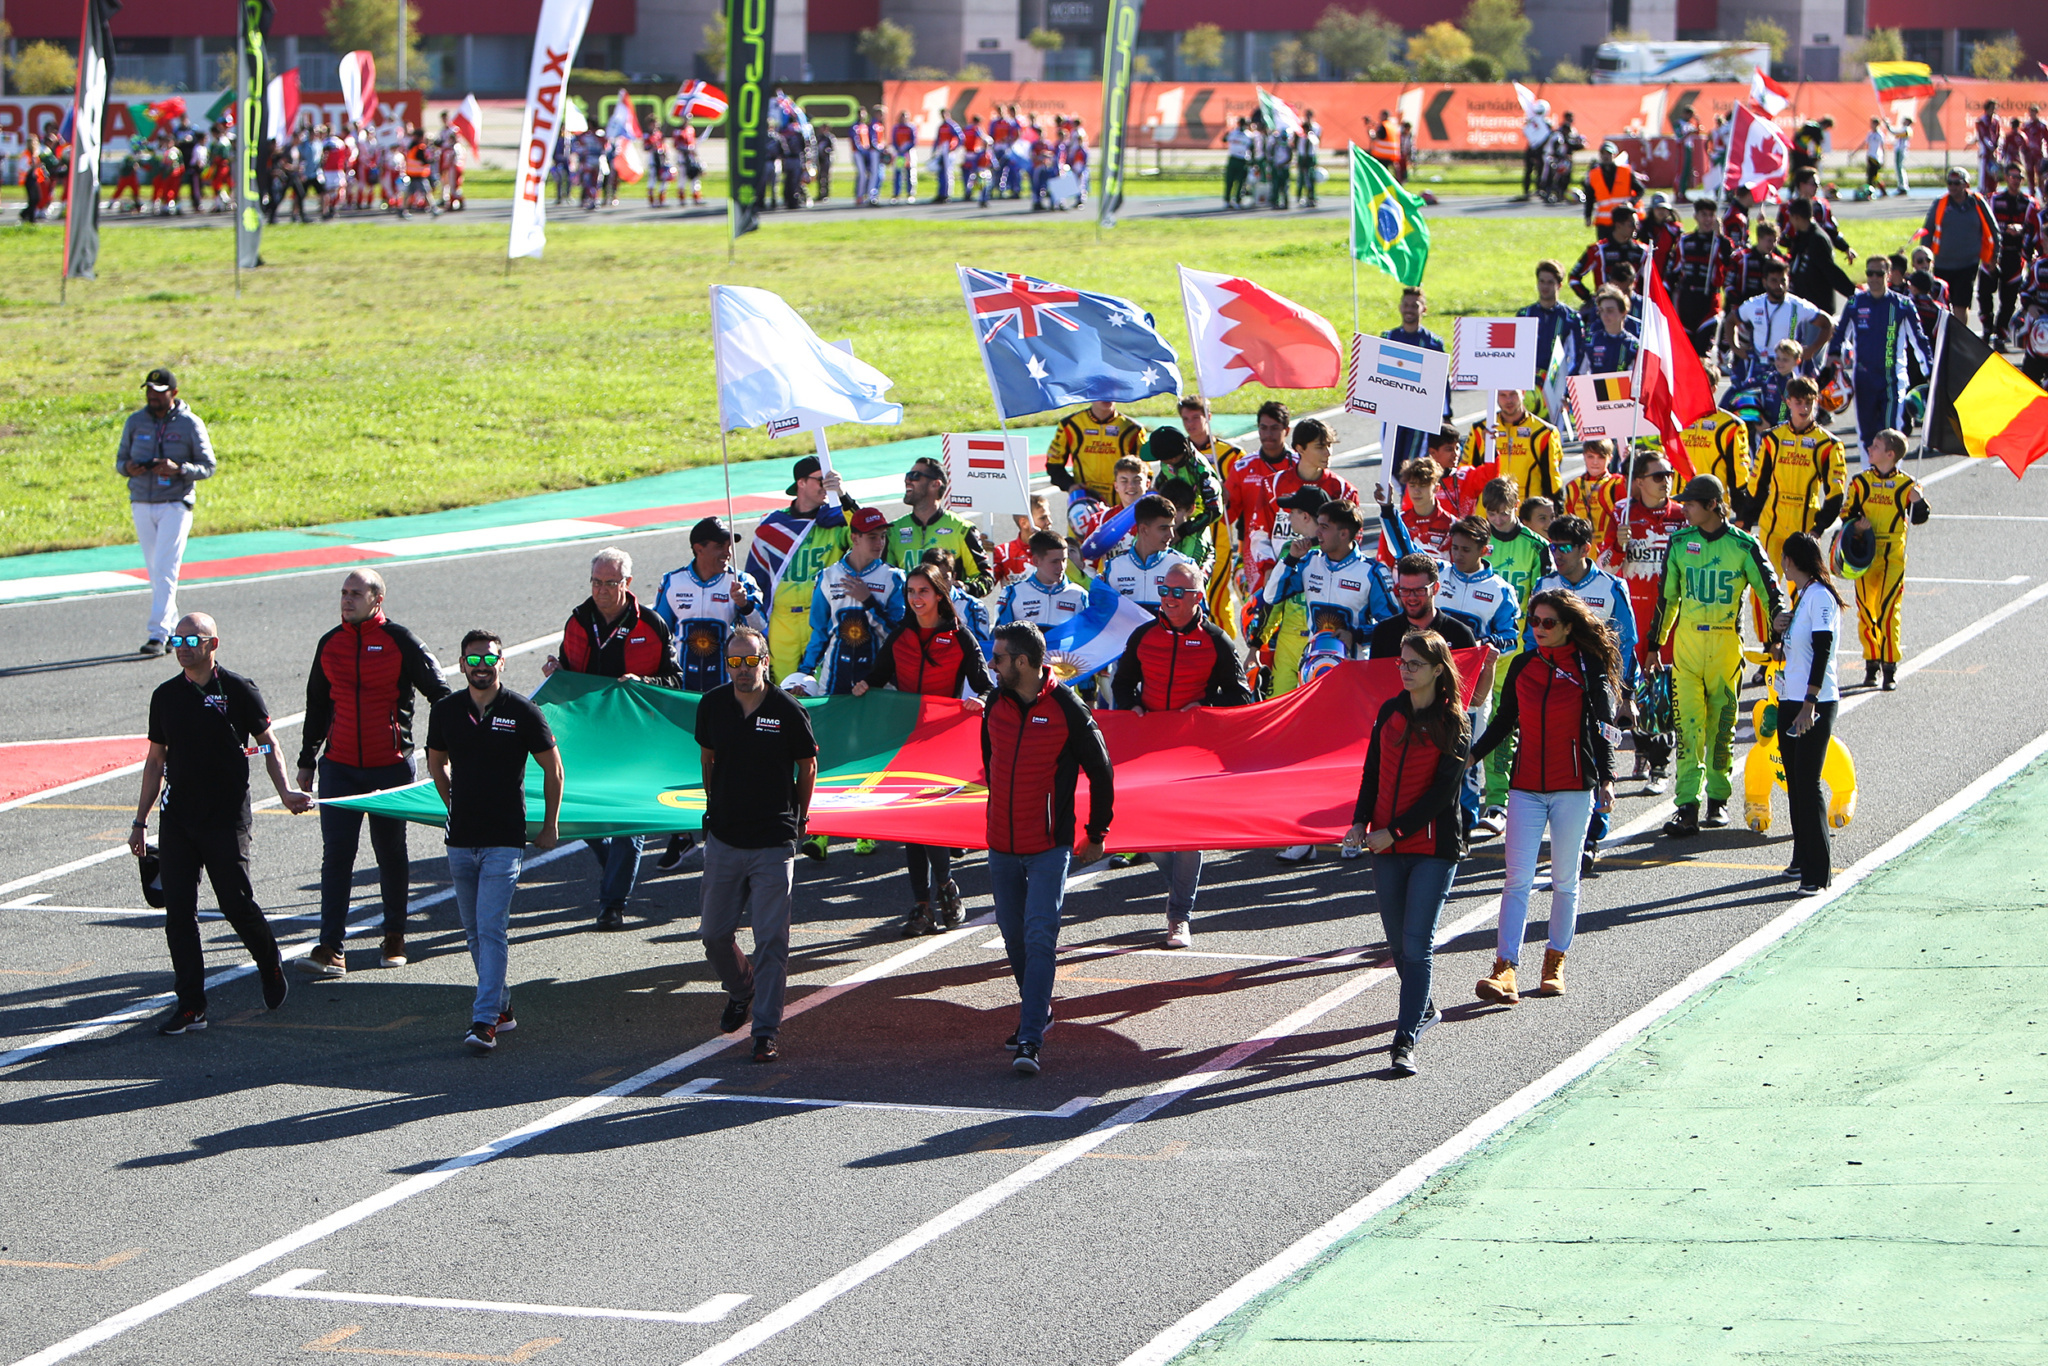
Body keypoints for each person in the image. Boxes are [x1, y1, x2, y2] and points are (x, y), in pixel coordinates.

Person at [131, 614, 311, 1036]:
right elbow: (156, 759)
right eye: (177, 637)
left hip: (225, 817)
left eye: (192, 638)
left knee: (235, 903)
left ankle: (269, 963)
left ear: (214, 645)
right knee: (179, 913)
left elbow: (269, 743)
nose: (182, 645)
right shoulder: (166, 696)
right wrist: (140, 821)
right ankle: (192, 1005)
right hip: (177, 819)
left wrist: (285, 791)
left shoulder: (238, 690)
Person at [296, 570, 449, 975]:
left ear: (377, 600)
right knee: (337, 856)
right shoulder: (330, 643)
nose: (346, 600)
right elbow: (317, 704)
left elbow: (443, 696)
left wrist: (441, 751)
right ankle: (331, 946)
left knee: (390, 852)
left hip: (391, 767)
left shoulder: (401, 641)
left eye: (355, 594)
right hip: (340, 767)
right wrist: (307, 760)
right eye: (343, 593)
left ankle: (395, 935)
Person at [1469, 588, 1618, 1004]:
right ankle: (1505, 969)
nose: (1538, 629)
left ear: (1568, 626)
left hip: (1574, 787)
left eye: (1548, 622)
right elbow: (1503, 722)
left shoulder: (1589, 668)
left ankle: (1555, 960)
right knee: (1516, 880)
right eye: (1533, 622)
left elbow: (1603, 728)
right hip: (1526, 788)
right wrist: (1472, 756)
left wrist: (1607, 777)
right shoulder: (1522, 666)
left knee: (1564, 881)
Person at [982, 622, 1113, 1075]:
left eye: (998, 658)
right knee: (1013, 937)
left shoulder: (1068, 709)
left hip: (1047, 847)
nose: (991, 664)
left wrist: (1096, 832)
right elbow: (991, 761)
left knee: (1039, 936)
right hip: (1000, 844)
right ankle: (1039, 1010)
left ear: (1022, 662)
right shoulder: (994, 703)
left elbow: (1102, 770)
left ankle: (1030, 1036)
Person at [692, 624, 819, 1064]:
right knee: (712, 935)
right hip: (725, 837)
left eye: (750, 661)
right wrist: (712, 808)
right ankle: (741, 989)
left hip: (772, 841)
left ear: (765, 661)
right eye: (734, 662)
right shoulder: (712, 706)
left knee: (771, 940)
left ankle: (765, 1030)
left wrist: (800, 819)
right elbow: (707, 759)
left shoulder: (786, 710)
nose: (742, 670)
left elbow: (809, 765)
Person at [1342, 630, 1467, 1075]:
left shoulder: (1455, 721)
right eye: (1402, 662)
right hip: (1386, 848)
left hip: (1432, 850)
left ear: (1437, 669)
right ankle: (1425, 1006)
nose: (1405, 670)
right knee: (1398, 945)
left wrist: (1392, 832)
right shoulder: (1390, 711)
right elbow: (1372, 772)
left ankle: (1404, 1040)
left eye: (1414, 664)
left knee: (1417, 946)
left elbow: (1441, 795)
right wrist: (1360, 821)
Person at [1111, 562, 1251, 946]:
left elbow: (1241, 696)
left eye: (1178, 593)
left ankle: (1179, 916)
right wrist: (1133, 705)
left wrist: (1205, 702)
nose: (1168, 599)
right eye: (1164, 590)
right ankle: (1180, 890)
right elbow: (1122, 684)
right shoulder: (1144, 635)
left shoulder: (1216, 640)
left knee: (1187, 834)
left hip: (1192, 751)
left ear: (1197, 598)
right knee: (1147, 831)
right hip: (1149, 747)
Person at [541, 547, 677, 930]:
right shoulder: (577, 620)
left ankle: (612, 903)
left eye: (610, 583)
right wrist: (556, 668)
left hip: (635, 739)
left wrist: (644, 682)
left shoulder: (651, 624)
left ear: (627, 583)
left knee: (627, 822)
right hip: (586, 737)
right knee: (577, 814)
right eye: (596, 582)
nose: (601, 590)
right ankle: (616, 872)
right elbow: (569, 670)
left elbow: (676, 680)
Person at [854, 564, 993, 936]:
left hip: (944, 741)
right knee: (911, 824)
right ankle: (921, 905)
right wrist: (864, 686)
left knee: (931, 821)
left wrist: (979, 699)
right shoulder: (901, 634)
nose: (916, 599)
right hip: (906, 740)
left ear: (939, 595)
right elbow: (878, 674)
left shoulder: (961, 637)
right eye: (911, 592)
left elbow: (986, 686)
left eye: (923, 592)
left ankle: (945, 887)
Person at [1652, 476, 1784, 837]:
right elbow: (1668, 599)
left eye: (1691, 503)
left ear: (1712, 505)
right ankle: (1687, 807)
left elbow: (1772, 594)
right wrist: (1654, 644)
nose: (1684, 508)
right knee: (1687, 728)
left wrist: (1776, 637)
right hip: (1687, 647)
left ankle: (1718, 801)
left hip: (1727, 646)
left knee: (1721, 727)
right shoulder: (1680, 542)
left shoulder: (1744, 545)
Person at [651, 517, 767, 870]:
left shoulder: (741, 582)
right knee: (684, 760)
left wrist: (745, 605)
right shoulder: (673, 582)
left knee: (728, 761)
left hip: (729, 691)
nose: (727, 553)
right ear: (698, 548)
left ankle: (729, 828)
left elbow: (763, 628)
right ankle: (683, 833)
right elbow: (659, 631)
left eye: (729, 546)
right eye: (719, 546)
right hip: (685, 691)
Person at [1530, 517, 1635, 875]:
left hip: (1597, 693)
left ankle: (1591, 839)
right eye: (1552, 546)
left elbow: (1628, 644)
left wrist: (1626, 694)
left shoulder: (1611, 587)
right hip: (1554, 693)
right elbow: (1531, 640)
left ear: (1585, 549)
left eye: (1565, 547)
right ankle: (1566, 832)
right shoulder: (1544, 586)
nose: (1556, 554)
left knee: (1597, 760)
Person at [1598, 453, 1689, 792]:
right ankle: (1644, 750)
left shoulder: (1682, 515)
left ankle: (1660, 765)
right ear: (1638, 481)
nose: (1666, 480)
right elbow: (1604, 564)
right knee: (1633, 690)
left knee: (1663, 691)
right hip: (1632, 619)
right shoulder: (1622, 513)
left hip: (1671, 622)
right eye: (1657, 475)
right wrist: (1619, 546)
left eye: (1669, 474)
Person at [117, 369, 216, 658]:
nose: (152, 396)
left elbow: (208, 466)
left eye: (159, 391)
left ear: (173, 393)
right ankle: (174, 630)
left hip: (175, 502)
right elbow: (121, 460)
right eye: (149, 390)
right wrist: (129, 468)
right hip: (142, 501)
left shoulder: (190, 423)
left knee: (165, 568)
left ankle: (157, 635)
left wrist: (179, 469)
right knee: (156, 571)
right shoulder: (135, 422)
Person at [1744, 375, 1845, 643]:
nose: (1804, 408)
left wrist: (1817, 529)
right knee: (1762, 587)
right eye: (1798, 402)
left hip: (1804, 531)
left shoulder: (1829, 444)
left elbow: (1836, 494)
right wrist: (1745, 520)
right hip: (1772, 527)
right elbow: (1756, 486)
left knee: (1804, 591)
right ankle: (1769, 645)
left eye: (1809, 402)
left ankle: (1798, 645)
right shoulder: (1772, 439)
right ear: (1788, 402)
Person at [1772, 532, 1843, 896]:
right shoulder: (1800, 597)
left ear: (1791, 560)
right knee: (1795, 784)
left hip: (1813, 702)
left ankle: (1819, 871)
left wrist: (1809, 705)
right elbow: (1793, 651)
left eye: (1783, 558)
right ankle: (1802, 858)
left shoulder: (1820, 597)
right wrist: (1778, 632)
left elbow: (1823, 649)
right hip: (1791, 699)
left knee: (1808, 782)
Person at [747, 456, 856, 678]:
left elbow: (865, 534)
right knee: (782, 688)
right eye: (821, 481)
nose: (827, 487)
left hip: (820, 618)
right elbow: (755, 577)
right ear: (801, 483)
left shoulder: (836, 521)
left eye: (830, 482)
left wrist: (844, 496)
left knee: (821, 683)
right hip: (781, 621)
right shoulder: (773, 525)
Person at [1843, 428, 1930, 691]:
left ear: (1890, 454)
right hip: (1865, 554)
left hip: (1893, 555)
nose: (1870, 449)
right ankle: (1871, 661)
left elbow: (1920, 516)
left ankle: (1889, 667)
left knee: (1888, 609)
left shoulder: (1907, 484)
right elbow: (1847, 514)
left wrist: (1919, 500)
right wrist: (1857, 526)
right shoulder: (1860, 482)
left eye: (1876, 446)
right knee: (1866, 610)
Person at [1829, 258, 1930, 470]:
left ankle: (1893, 479)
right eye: (1870, 273)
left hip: (1892, 379)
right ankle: (1869, 479)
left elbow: (1919, 339)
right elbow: (1839, 336)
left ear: (1889, 274)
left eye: (1879, 274)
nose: (1874, 278)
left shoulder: (1901, 305)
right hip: (1863, 379)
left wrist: (1929, 370)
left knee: (1890, 432)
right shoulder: (1856, 303)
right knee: (1866, 433)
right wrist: (1834, 362)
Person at [799, 505, 907, 697]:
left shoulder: (894, 578)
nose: (879, 543)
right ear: (854, 538)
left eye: (882, 536)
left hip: (877, 678)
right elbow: (819, 630)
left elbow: (898, 634)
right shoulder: (828, 577)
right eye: (872, 537)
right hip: (834, 676)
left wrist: (868, 600)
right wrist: (805, 671)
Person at [886, 456, 995, 595]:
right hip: (908, 614)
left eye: (915, 476)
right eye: (907, 475)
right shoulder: (893, 530)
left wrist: (963, 589)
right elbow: (884, 580)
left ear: (935, 484)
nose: (907, 480)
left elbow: (986, 580)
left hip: (947, 614)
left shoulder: (961, 529)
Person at [1381, 287, 1450, 476]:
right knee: (1392, 465)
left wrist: (1446, 412)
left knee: (1410, 464)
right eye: (1406, 305)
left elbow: (1442, 380)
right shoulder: (1389, 337)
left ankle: (1408, 501)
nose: (1409, 309)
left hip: (1420, 414)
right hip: (1393, 412)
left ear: (1424, 309)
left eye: (1415, 305)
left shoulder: (1432, 342)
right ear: (1400, 307)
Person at [1918, 168, 1997, 329]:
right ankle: (1943, 337)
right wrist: (1923, 258)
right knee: (1943, 304)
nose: (1952, 187)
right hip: (1942, 263)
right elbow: (1927, 231)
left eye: (1957, 183)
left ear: (1966, 184)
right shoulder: (1940, 203)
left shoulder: (1978, 202)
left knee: (1961, 305)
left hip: (1968, 263)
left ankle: (1959, 338)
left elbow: (1994, 230)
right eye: (1949, 183)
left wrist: (1995, 255)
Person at [1462, 389, 1562, 503]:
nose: (1508, 400)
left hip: (1527, 512)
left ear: (1523, 393)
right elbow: (1466, 474)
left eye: (1513, 394)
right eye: (1503, 395)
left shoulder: (1544, 432)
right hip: (1487, 511)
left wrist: (1555, 509)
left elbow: (1552, 480)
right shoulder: (1480, 429)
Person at [1102, 495, 1195, 617]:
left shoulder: (1184, 566)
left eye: (1172, 527)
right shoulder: (1114, 567)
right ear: (1144, 530)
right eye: (1164, 528)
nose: (1171, 535)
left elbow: (1199, 617)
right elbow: (1103, 615)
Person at [1047, 398, 1146, 503]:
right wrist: (1070, 485)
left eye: (1111, 391)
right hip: (1085, 503)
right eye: (1101, 390)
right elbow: (1054, 465)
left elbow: (1145, 470)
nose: (1107, 396)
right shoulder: (1069, 425)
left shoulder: (1133, 428)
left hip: (1123, 505)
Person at [1520, 260, 1584, 413]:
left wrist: (1567, 390)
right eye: (1541, 281)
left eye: (1550, 282)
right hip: (1528, 386)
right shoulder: (1524, 315)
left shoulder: (1571, 318)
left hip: (1556, 385)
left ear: (1559, 285)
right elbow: (1517, 354)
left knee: (1554, 434)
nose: (1545, 286)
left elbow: (1577, 358)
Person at [1988, 161, 2041, 341]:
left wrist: (2021, 230)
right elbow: (1987, 227)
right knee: (1985, 295)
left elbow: (2035, 229)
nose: (2015, 181)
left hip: (2015, 256)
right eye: (2012, 177)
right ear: (2006, 178)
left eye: (2019, 177)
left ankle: (2000, 332)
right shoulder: (1994, 200)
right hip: (1994, 255)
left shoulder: (2030, 204)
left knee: (2009, 298)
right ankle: (1988, 330)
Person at [998, 529, 1090, 626]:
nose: (1061, 567)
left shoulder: (1080, 595)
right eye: (1055, 561)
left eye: (1064, 560)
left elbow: (1088, 634)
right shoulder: (1013, 593)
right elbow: (999, 637)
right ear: (1036, 561)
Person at [1562, 437, 1620, 549]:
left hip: (1610, 548)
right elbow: (1566, 522)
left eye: (1601, 457)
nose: (1595, 462)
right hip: (1582, 549)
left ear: (1610, 458)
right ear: (1584, 456)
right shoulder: (1573, 486)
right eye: (1590, 456)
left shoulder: (1617, 483)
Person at [1582, 140, 1639, 229]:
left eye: (1608, 154)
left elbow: (1640, 189)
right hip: (1603, 221)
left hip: (1622, 220)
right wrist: (1588, 216)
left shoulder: (1625, 172)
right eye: (1603, 154)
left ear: (1614, 155)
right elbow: (1589, 197)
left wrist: (1631, 203)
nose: (1605, 156)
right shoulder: (1594, 174)